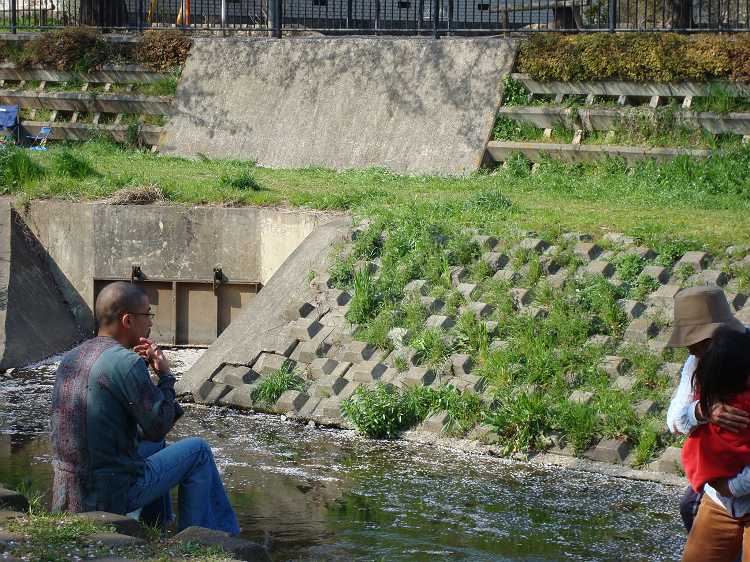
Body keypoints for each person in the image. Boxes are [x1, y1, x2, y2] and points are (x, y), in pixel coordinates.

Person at [50, 281, 239, 534]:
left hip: (69, 495)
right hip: (109, 495)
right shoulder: (127, 363)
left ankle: (156, 526)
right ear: (128, 320)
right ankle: (206, 538)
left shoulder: (70, 358)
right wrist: (166, 377)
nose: (150, 322)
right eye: (147, 314)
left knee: (155, 447)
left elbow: (139, 433)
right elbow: (158, 426)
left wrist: (141, 376)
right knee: (199, 451)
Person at [681, 327, 750, 561]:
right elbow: (676, 418)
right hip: (720, 501)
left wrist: (731, 487)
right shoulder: (709, 363)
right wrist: (703, 410)